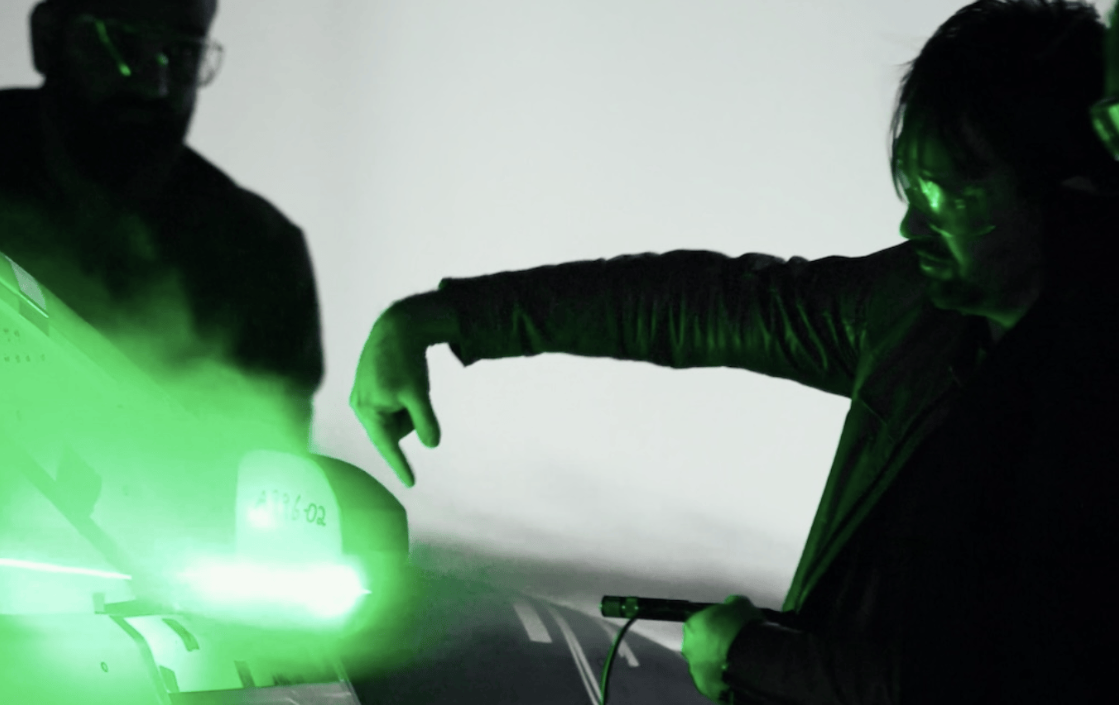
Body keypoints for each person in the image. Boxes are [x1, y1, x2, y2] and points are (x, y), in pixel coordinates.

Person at [350, 0, 1118, 702]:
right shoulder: (912, 312)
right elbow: (705, 302)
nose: (913, 227)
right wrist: (444, 317)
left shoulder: (1089, 408)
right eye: (913, 191)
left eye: (953, 195)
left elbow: (999, 683)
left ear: (1071, 189)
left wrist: (749, 654)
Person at [0, 0, 323, 433]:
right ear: (46, 38)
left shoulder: (261, 254)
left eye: (184, 53)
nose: (155, 83)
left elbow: (274, 454)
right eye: (120, 42)